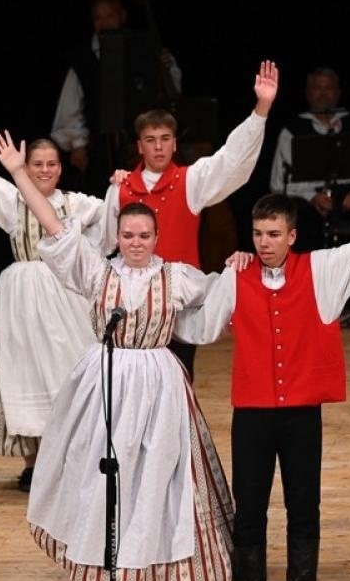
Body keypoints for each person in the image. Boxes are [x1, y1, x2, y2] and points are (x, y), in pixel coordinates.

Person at [0, 131, 232, 581]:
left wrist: (240, 266)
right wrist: (18, 173)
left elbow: (220, 297)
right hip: (106, 383)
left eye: (144, 236)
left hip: (159, 386)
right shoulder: (97, 271)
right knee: (105, 486)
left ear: (156, 238)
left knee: (155, 486)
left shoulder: (177, 276)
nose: (136, 243)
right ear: (117, 237)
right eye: (128, 236)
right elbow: (53, 225)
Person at [178, 147, 350, 581]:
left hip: (301, 415)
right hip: (252, 414)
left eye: (273, 234)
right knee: (249, 511)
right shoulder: (236, 277)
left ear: (291, 235)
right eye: (257, 234)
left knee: (303, 508)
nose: (264, 243)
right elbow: (200, 328)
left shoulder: (322, 271)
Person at [105, 60, 279, 379]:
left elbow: (231, 158)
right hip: (134, 305)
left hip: (180, 302)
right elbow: (103, 246)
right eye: (150, 140)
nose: (158, 146)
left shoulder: (190, 181)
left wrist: (261, 109)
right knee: (135, 380)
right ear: (139, 146)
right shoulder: (120, 189)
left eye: (165, 138)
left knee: (180, 378)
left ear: (174, 143)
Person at [0, 135, 107, 491]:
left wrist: (122, 180)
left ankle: (72, 459)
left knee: (69, 372)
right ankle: (33, 464)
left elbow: (117, 210)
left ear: (61, 168)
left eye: (51, 164)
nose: (45, 170)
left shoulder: (76, 204)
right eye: (37, 164)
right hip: (21, 301)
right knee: (24, 372)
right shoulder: (13, 201)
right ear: (27, 166)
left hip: (65, 297)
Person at [50, 0, 182, 194]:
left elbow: (170, 93)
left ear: (122, 16)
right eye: (98, 18)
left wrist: (166, 66)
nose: (104, 23)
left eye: (109, 16)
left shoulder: (143, 47)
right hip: (102, 149)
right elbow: (70, 107)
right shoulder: (84, 59)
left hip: (142, 146)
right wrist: (77, 145)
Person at [269, 67, 350, 254]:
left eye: (328, 88)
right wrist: (312, 197)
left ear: (338, 92)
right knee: (295, 217)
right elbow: (279, 182)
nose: (323, 94)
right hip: (311, 204)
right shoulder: (292, 132)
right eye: (317, 88)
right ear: (307, 93)